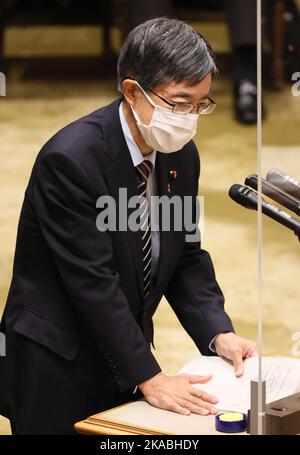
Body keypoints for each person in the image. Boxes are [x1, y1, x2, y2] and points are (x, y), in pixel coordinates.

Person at [0, 17, 257, 434]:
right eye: (179, 102)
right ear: (133, 91)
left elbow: (185, 254)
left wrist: (218, 332)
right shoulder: (70, 161)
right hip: (59, 364)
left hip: (123, 353)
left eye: (201, 104)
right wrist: (149, 376)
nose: (190, 118)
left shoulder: (179, 155)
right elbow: (92, 281)